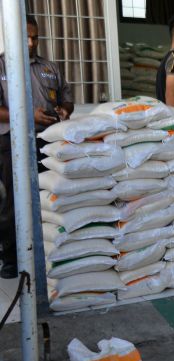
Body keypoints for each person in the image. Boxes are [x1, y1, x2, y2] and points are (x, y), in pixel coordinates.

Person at [0, 15, 74, 279]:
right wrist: (28, 115)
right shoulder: (1, 66)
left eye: (35, 37)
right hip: (12, 142)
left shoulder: (50, 67)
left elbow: (67, 97)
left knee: (49, 198)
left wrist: (64, 111)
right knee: (15, 202)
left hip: (48, 142)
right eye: (26, 37)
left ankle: (47, 254)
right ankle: (9, 259)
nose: (31, 43)